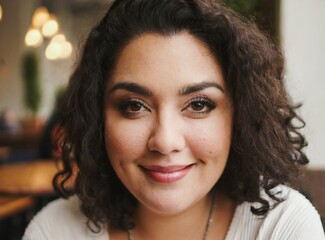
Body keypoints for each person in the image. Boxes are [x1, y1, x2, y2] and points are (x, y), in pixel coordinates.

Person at [23, 0, 325, 239]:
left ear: (240, 115)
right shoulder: (54, 231)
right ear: (97, 118)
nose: (165, 142)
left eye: (199, 104)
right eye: (133, 106)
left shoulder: (282, 227)